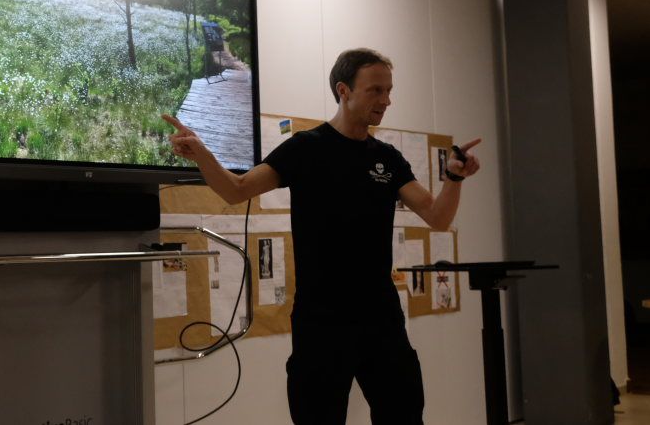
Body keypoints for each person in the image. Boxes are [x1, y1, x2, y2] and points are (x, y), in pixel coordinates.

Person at [163, 48, 481, 425]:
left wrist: (454, 178)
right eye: (375, 90)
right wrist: (202, 155)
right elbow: (237, 190)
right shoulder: (306, 148)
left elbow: (437, 216)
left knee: (404, 416)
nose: (386, 100)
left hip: (381, 317)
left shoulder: (388, 158)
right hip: (322, 320)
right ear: (344, 90)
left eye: (389, 91)